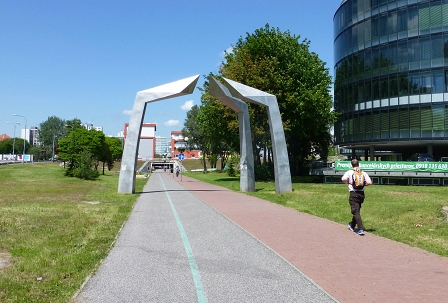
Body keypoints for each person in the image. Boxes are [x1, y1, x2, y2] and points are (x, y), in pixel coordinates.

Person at [341, 159, 372, 236]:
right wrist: (363, 184)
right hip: (361, 194)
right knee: (357, 211)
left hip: (353, 193)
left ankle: (361, 229)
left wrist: (349, 182)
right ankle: (352, 225)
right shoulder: (363, 173)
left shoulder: (349, 172)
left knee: (356, 212)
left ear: (351, 165)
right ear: (359, 164)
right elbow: (369, 182)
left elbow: (343, 179)